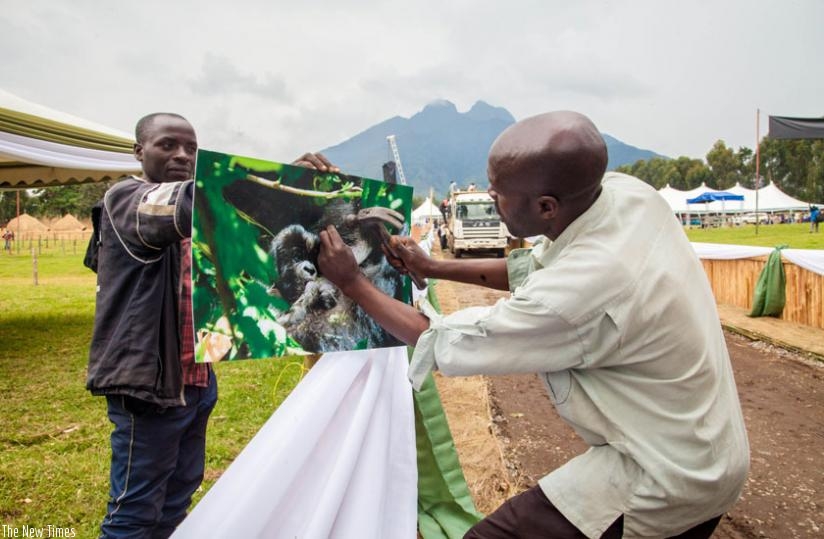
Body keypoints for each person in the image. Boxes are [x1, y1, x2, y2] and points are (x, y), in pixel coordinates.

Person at [318, 111, 749, 538]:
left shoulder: (579, 291)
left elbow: (446, 340)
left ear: (546, 207)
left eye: (499, 193)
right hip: (705, 442)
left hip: (666, 473)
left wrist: (352, 282)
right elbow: (536, 267)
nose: (490, 197)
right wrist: (432, 267)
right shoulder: (626, 195)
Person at [87, 112, 336, 538]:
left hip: (195, 379)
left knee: (176, 499)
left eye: (191, 147)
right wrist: (271, 178)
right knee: (134, 512)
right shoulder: (127, 199)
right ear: (139, 151)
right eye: (168, 144)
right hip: (148, 385)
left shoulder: (196, 218)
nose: (183, 155)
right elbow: (188, 201)